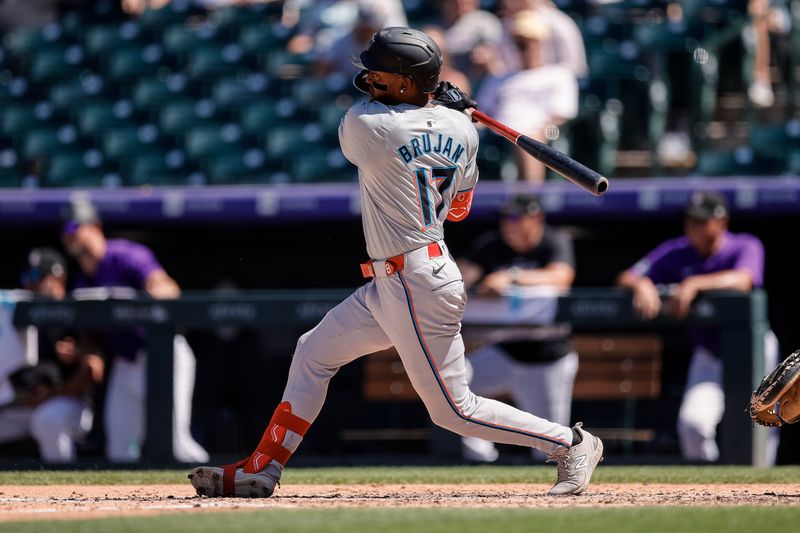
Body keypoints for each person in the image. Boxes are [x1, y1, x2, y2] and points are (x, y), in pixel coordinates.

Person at [189, 26, 603, 498]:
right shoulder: (464, 130)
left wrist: (435, 108)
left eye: (380, 71)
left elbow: (375, 117)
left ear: (407, 83)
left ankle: (571, 442)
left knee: (453, 410)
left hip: (415, 281)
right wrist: (448, 113)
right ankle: (262, 468)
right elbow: (461, 208)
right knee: (313, 352)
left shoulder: (370, 124)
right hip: (404, 276)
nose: (368, 76)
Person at [616, 191, 778, 462]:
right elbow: (626, 277)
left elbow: (744, 279)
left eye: (700, 221)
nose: (693, 227)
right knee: (693, 425)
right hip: (709, 356)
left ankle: (761, 488)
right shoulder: (676, 251)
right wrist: (642, 284)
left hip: (754, 352)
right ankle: (709, 489)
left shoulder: (744, 245)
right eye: (690, 220)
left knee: (762, 425)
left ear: (721, 221)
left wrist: (695, 283)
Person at [61, 200, 208, 463]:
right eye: (66, 232)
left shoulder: (125, 255)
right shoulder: (82, 281)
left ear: (95, 226)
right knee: (121, 447)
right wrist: (81, 353)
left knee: (175, 442)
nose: (70, 236)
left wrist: (153, 292)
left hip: (161, 356)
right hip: (125, 363)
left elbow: (167, 288)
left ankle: (218, 484)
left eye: (76, 228)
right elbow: (93, 341)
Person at [457, 193, 579, 463]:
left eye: (515, 218)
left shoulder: (553, 240)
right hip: (503, 352)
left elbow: (562, 278)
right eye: (504, 218)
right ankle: (480, 460)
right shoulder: (492, 245)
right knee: (456, 381)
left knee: (550, 449)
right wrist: (479, 285)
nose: (507, 224)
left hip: (547, 359)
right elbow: (457, 279)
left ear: (536, 218)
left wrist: (511, 277)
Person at [0, 248, 102, 463]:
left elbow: (95, 369)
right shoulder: (15, 311)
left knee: (48, 419)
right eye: (27, 277)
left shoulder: (76, 310)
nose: (30, 284)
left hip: (69, 404)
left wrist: (78, 355)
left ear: (59, 276)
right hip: (23, 404)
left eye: (37, 276)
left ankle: (65, 488)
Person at [476, 9, 578, 182]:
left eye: (526, 43)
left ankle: (529, 199)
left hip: (538, 133)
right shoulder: (498, 78)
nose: (521, 49)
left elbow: (562, 114)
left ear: (540, 43)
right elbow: (480, 114)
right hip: (499, 136)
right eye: (517, 43)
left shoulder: (560, 75)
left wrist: (538, 130)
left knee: (528, 138)